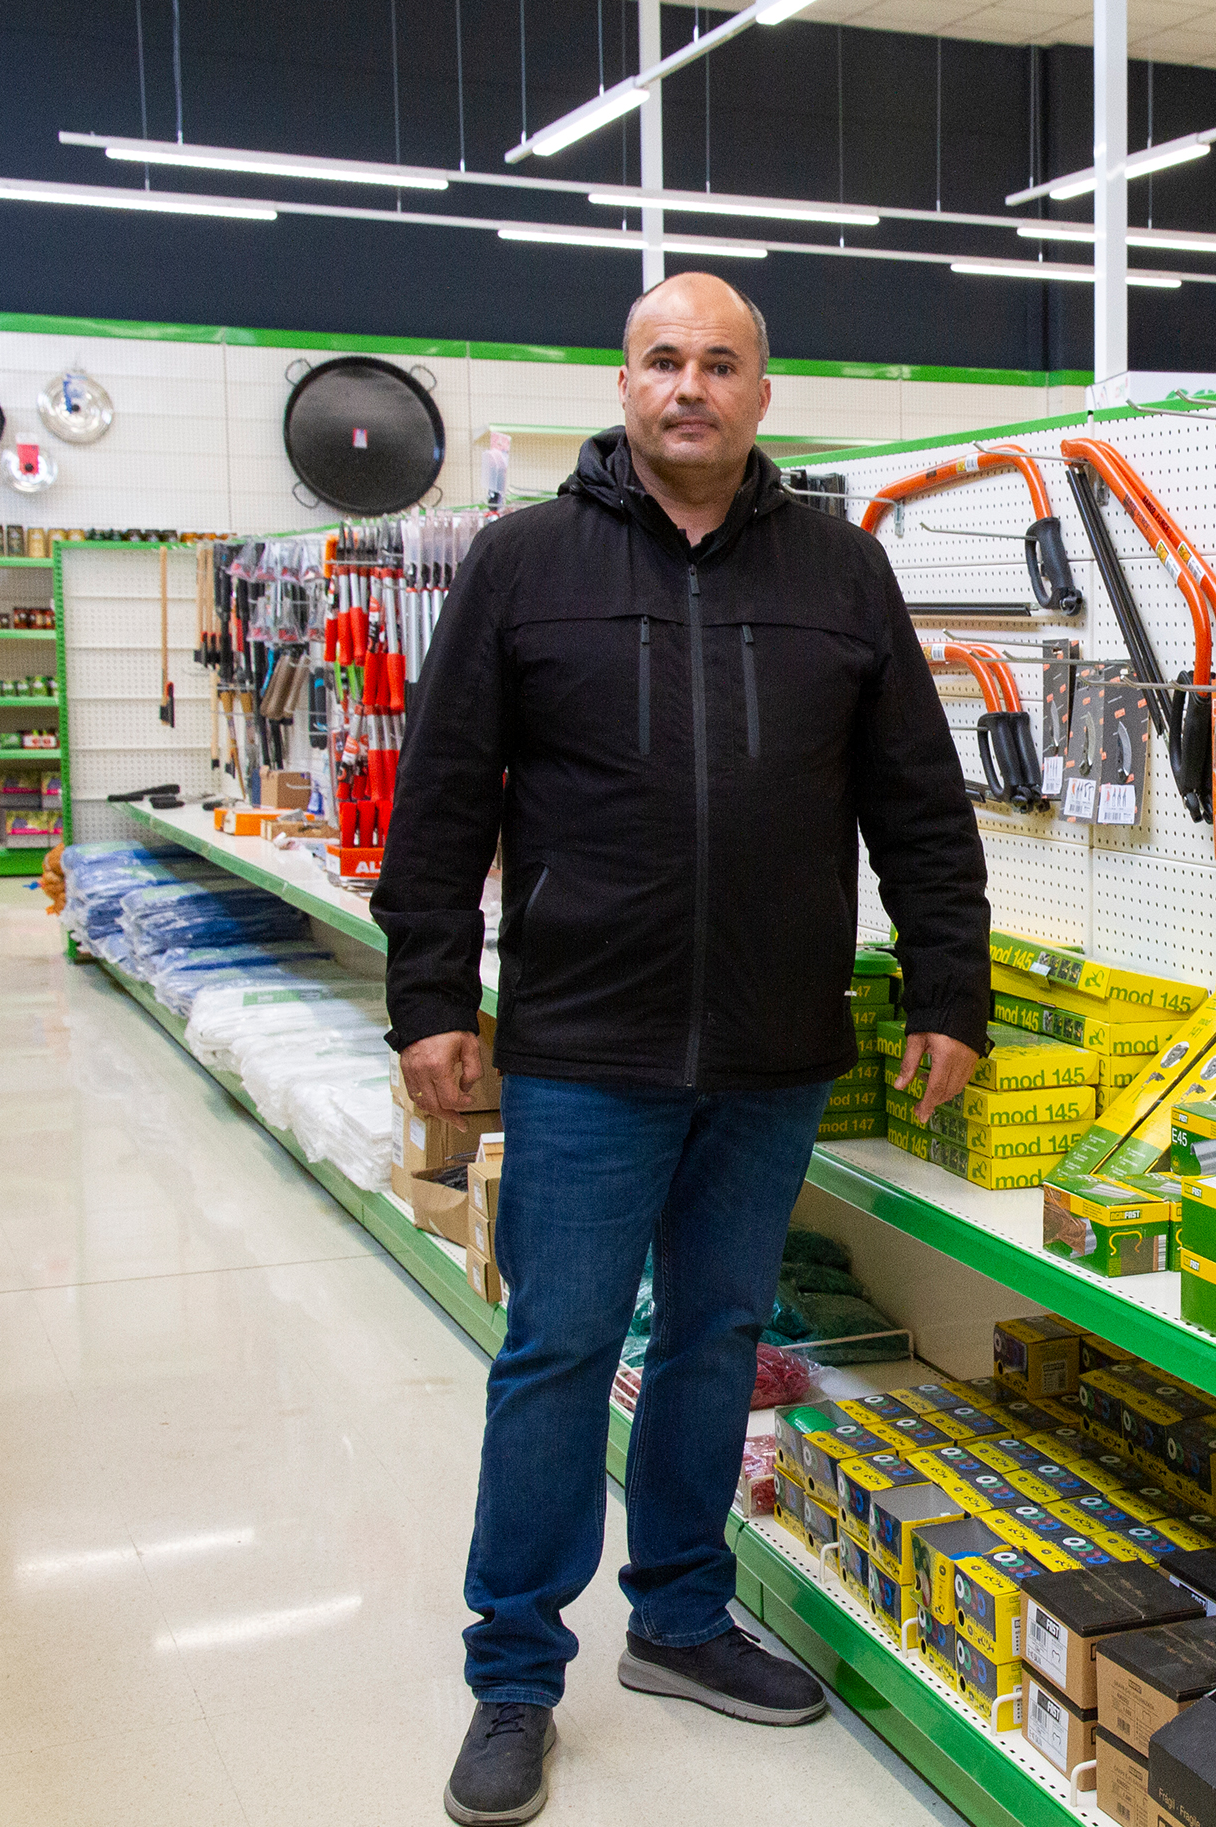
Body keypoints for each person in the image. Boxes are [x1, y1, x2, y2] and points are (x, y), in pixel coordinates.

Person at [374, 270, 989, 1827]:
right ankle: (513, 1681)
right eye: (664, 360)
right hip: (588, 1038)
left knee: (715, 1339)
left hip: (778, 1043)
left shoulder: (843, 573)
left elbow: (918, 802)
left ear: (762, 396)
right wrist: (432, 999)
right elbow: (443, 797)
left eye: (721, 364)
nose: (690, 387)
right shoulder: (525, 563)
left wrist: (949, 994)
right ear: (625, 383)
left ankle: (680, 1618)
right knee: (561, 1350)